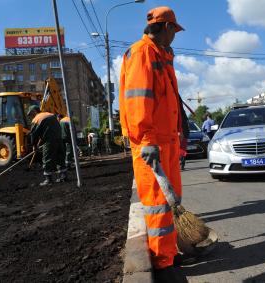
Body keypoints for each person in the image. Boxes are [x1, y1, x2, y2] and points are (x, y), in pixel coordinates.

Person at [119, 6, 188, 283]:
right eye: (175, 31)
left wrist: (179, 133)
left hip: (165, 140)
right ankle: (161, 264)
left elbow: (168, 101)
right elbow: (138, 100)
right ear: (167, 27)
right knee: (158, 203)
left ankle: (168, 252)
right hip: (152, 143)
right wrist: (147, 140)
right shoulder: (142, 53)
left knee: (172, 201)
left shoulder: (161, 54)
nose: (176, 36)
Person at [27, 105, 67, 186]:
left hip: (49, 140)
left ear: (34, 112)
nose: (31, 117)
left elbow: (33, 135)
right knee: (60, 157)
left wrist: (34, 146)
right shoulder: (50, 114)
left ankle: (48, 179)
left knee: (47, 158)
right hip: (59, 138)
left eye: (30, 114)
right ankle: (63, 176)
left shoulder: (36, 119)